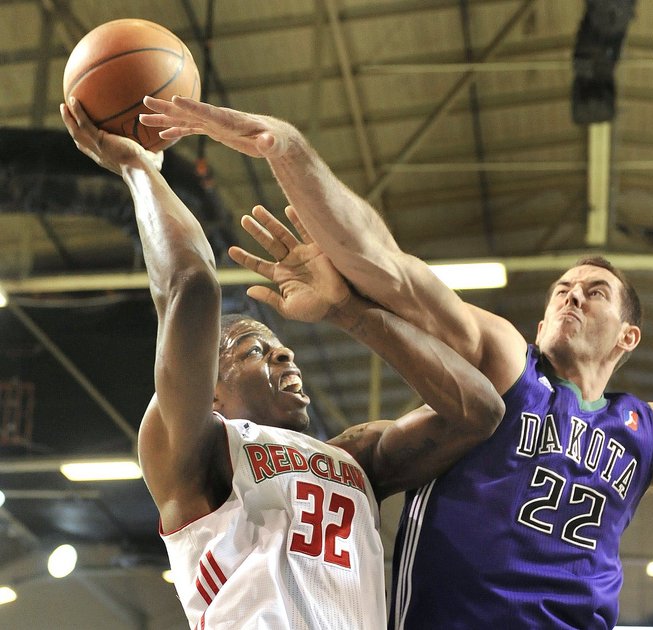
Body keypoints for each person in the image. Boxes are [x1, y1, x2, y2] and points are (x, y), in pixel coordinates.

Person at [138, 96, 653, 629]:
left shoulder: (652, 430)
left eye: (593, 293)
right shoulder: (511, 360)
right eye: (561, 290)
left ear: (627, 336)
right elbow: (388, 267)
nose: (572, 297)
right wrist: (288, 151)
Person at [60, 97, 505, 630]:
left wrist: (348, 311)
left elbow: (479, 411)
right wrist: (137, 170)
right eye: (253, 349)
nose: (284, 352)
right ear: (213, 391)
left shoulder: (355, 457)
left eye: (276, 346)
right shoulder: (194, 448)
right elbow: (192, 283)